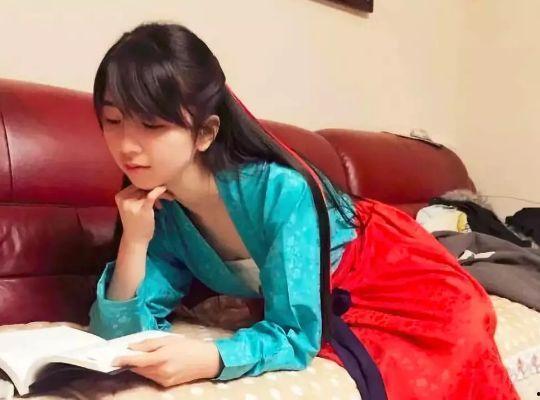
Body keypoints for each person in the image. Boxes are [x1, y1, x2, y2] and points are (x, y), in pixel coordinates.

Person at [88, 22, 518, 399]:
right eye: (112, 120)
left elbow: (295, 332)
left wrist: (212, 358)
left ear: (205, 133)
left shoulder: (279, 191)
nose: (126, 145)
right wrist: (134, 241)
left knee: (456, 343)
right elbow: (118, 336)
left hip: (384, 267)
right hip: (325, 294)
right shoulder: (159, 209)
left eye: (152, 125)